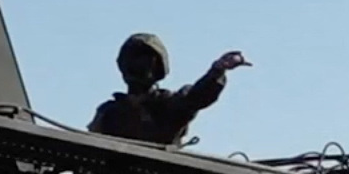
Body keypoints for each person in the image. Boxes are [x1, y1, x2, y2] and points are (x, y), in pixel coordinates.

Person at [87, 33, 248, 147]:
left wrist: (217, 71)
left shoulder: (170, 106)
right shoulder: (110, 112)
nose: (139, 67)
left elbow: (198, 97)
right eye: (134, 61)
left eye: (147, 62)